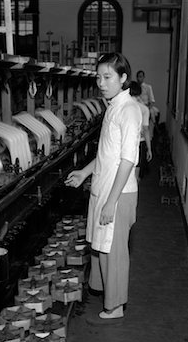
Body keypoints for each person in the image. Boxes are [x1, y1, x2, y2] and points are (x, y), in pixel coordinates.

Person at [65, 53, 142, 323]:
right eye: (98, 77)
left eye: (107, 77)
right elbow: (107, 153)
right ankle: (102, 291)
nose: (101, 82)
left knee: (114, 251)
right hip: (105, 186)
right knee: (101, 247)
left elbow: (128, 160)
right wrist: (84, 172)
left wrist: (112, 201)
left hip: (118, 193)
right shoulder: (113, 106)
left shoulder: (129, 110)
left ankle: (115, 306)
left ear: (123, 78)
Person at [129, 80, 152, 179]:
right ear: (139, 92)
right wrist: (149, 149)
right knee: (136, 175)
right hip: (139, 143)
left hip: (123, 143)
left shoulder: (121, 107)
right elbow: (146, 130)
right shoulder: (144, 109)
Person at [136, 70, 159, 139]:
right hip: (137, 106)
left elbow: (152, 100)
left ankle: (152, 134)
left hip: (146, 106)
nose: (139, 78)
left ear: (143, 77)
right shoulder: (135, 87)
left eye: (141, 77)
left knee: (152, 113)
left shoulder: (148, 87)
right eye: (138, 77)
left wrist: (148, 108)